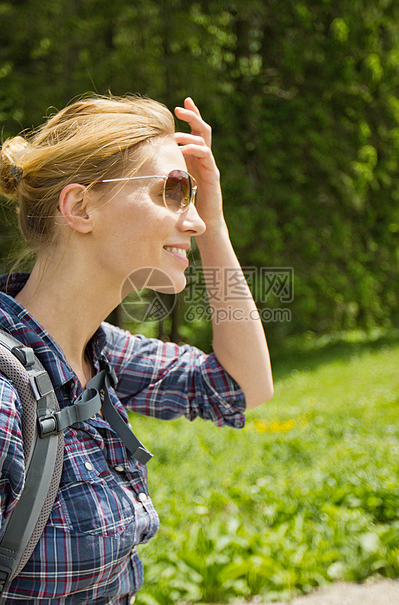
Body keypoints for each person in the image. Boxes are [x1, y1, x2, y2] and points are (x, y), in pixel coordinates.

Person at [0, 94, 273, 603]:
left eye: (190, 195)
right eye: (171, 191)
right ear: (80, 207)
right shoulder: (5, 396)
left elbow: (241, 386)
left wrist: (214, 219)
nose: (191, 221)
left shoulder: (96, 352)